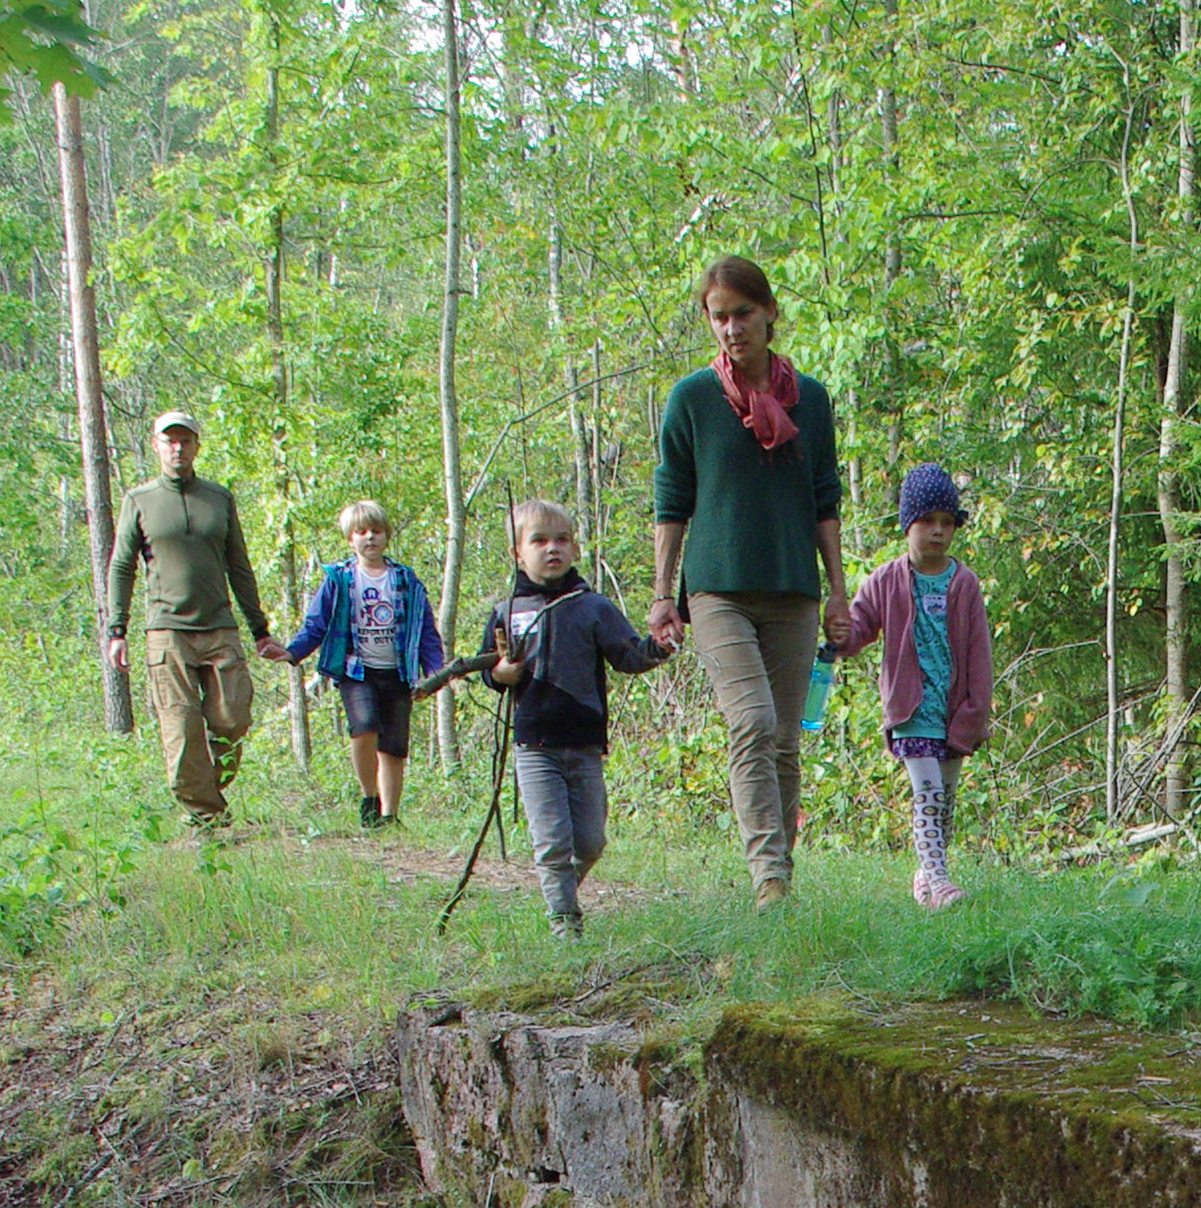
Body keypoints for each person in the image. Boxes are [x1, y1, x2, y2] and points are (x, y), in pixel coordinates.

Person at [650, 256, 850, 905]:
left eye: (742, 313)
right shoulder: (692, 400)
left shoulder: (812, 401)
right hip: (716, 591)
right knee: (753, 721)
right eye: (719, 316)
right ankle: (769, 877)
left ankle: (779, 882)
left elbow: (825, 500)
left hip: (793, 587)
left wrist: (839, 591)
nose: (732, 328)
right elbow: (671, 500)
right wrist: (661, 595)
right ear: (709, 322)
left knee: (786, 740)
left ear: (769, 314)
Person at [478, 499, 672, 933]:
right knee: (552, 841)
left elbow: (628, 655)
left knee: (590, 841)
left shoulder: (592, 607)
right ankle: (564, 920)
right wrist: (501, 673)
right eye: (539, 540)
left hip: (584, 745)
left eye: (562, 539)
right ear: (517, 553)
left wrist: (658, 647)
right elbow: (489, 671)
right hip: (535, 745)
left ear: (574, 548)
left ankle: (561, 890)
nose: (553, 549)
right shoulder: (506, 610)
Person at [103, 409, 272, 828]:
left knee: (233, 718)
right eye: (169, 441)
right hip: (167, 632)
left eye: (185, 440)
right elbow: (121, 567)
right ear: (157, 445)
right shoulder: (139, 501)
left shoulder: (219, 499)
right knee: (180, 729)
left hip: (220, 628)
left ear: (197, 445)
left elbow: (240, 567)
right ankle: (207, 820)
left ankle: (206, 796)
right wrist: (117, 630)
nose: (177, 448)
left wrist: (260, 629)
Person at [843, 464, 995, 910]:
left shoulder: (963, 583)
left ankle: (926, 879)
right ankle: (942, 882)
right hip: (911, 710)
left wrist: (976, 712)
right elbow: (858, 628)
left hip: (952, 713)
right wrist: (837, 635)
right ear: (908, 524)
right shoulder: (886, 580)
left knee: (944, 802)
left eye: (947, 523)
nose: (938, 532)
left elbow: (979, 654)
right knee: (927, 793)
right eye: (928, 521)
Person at [274, 499, 447, 830]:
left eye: (377, 531)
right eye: (362, 532)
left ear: (387, 536)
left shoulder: (405, 580)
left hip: (398, 672)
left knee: (394, 745)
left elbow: (424, 629)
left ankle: (390, 815)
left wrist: (435, 670)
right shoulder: (339, 579)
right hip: (356, 670)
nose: (370, 537)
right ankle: (370, 797)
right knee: (364, 726)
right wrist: (293, 652)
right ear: (350, 538)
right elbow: (316, 623)